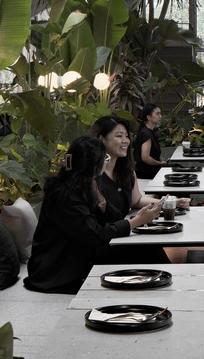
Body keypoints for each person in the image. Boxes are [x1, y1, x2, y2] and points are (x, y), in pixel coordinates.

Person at [24, 136, 161, 293]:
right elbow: (95, 234)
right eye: (105, 158)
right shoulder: (65, 194)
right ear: (93, 164)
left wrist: (100, 199)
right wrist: (135, 222)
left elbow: (115, 219)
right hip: (58, 268)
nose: (106, 162)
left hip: (81, 253)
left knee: (148, 249)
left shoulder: (84, 184)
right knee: (145, 254)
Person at [91, 114, 170, 263]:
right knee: (150, 249)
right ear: (102, 139)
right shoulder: (92, 176)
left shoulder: (126, 171)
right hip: (103, 242)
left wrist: (166, 202)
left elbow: (136, 200)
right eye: (119, 136)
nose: (125, 141)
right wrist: (138, 221)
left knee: (152, 246)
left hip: (122, 235)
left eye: (127, 136)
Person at [133, 104, 167, 180]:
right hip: (147, 171)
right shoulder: (146, 134)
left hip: (149, 169)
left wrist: (160, 160)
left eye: (160, 113)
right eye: (157, 114)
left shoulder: (148, 131)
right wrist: (160, 163)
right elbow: (145, 158)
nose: (160, 116)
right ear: (148, 117)